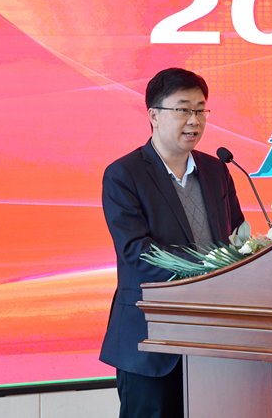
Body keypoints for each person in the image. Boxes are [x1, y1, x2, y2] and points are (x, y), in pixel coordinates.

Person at [100, 68, 244, 418]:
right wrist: (209, 265)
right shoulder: (124, 174)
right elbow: (136, 251)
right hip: (151, 338)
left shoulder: (217, 169)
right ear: (154, 115)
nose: (194, 120)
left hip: (212, 336)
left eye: (200, 110)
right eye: (183, 109)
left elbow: (236, 234)